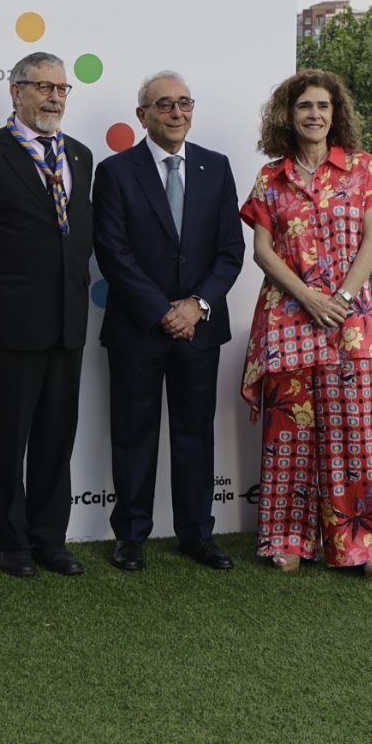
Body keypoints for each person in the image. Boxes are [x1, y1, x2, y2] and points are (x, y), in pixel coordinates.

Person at [238, 69, 372, 580]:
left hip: (348, 323)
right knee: (289, 437)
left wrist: (342, 299)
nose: (314, 114)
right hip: (287, 319)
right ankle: (286, 539)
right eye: (305, 105)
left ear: (336, 114)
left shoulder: (362, 169)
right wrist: (308, 297)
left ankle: (363, 543)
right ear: (289, 114)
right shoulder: (270, 177)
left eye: (323, 106)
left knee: (354, 434)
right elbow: (262, 250)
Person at [92, 72, 246, 572]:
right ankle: (131, 536)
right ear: (143, 115)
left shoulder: (217, 168)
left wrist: (195, 306)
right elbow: (112, 253)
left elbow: (230, 251)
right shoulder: (115, 171)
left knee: (195, 434)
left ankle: (196, 535)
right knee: (134, 435)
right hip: (138, 327)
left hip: (200, 327)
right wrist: (163, 311)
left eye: (184, 103)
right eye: (164, 104)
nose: (176, 112)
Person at [0, 53, 96, 578]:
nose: (54, 97)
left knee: (58, 436)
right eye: (43, 87)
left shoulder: (79, 155)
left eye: (62, 88)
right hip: (7, 324)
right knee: (9, 439)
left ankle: (50, 538)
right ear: (16, 92)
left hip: (68, 320)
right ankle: (11, 542)